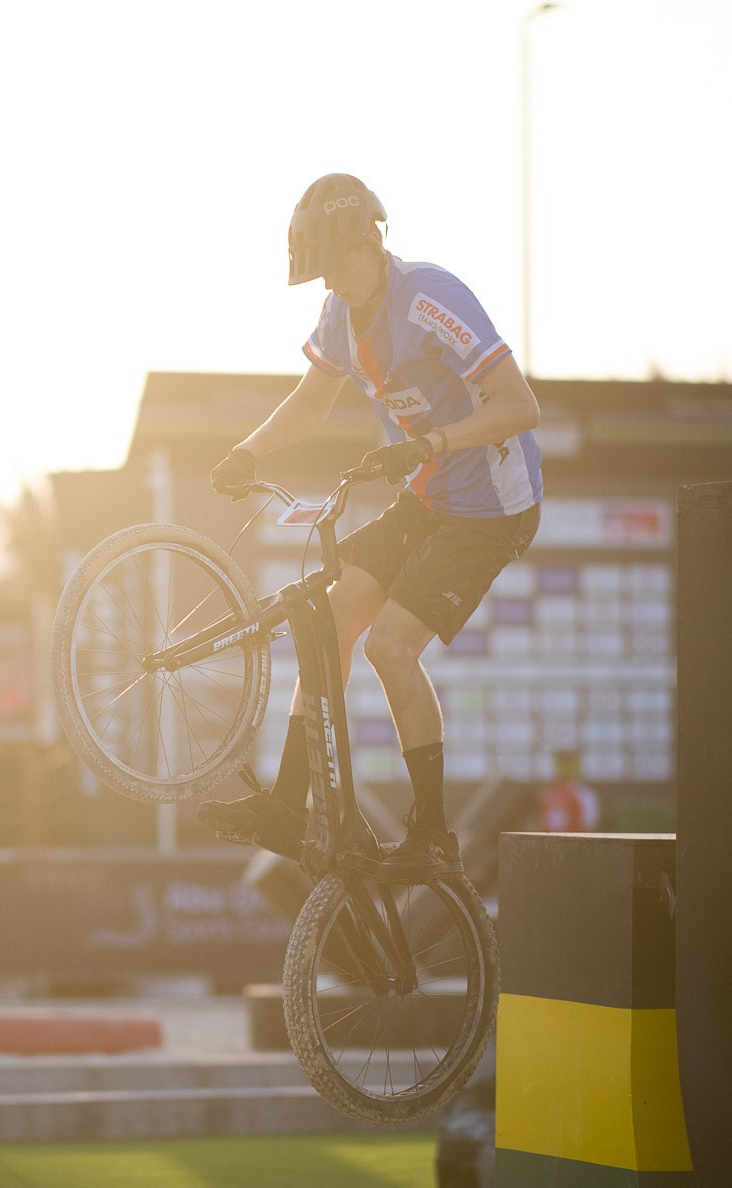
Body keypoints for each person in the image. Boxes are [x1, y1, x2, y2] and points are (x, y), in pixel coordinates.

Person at [201, 173, 543, 877]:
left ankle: (432, 834)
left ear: (371, 239)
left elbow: (520, 405)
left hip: (492, 508)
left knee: (390, 647)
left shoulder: (431, 298)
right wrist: (248, 451)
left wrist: (433, 443)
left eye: (340, 263)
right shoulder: (338, 314)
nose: (332, 280)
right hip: (431, 491)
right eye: (321, 271)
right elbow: (309, 404)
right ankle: (291, 805)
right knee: (328, 622)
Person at [536, 749, 601, 833]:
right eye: (561, 764)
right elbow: (542, 822)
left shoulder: (585, 795)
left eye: (569, 764)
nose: (565, 768)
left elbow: (590, 827)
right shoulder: (548, 794)